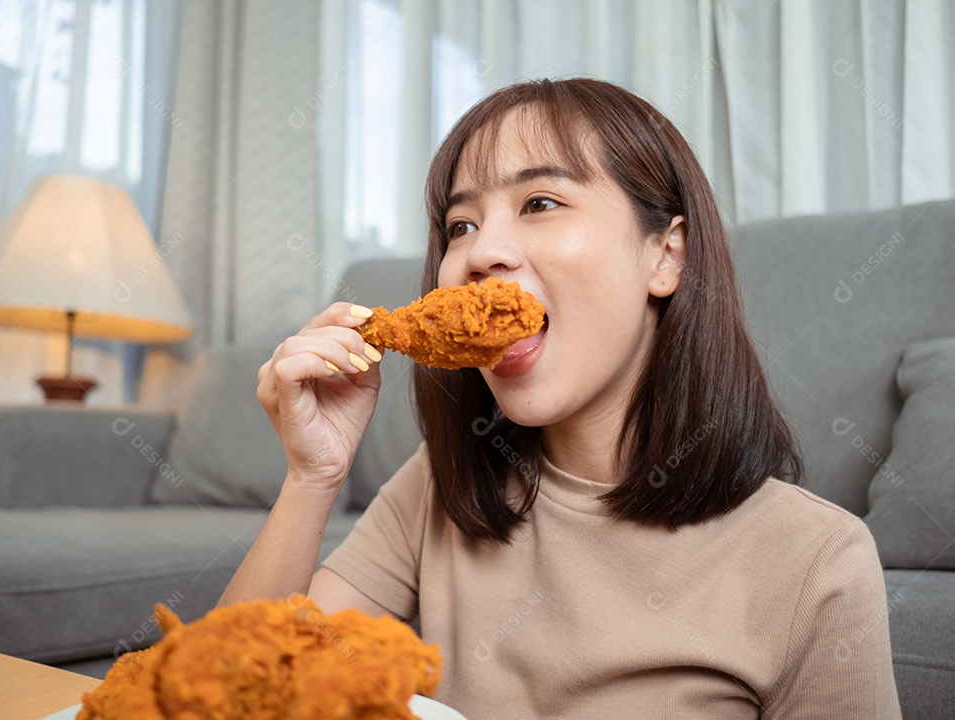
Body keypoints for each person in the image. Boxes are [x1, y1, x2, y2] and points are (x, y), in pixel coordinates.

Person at [218, 78, 901, 719]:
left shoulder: (818, 559)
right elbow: (224, 694)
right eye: (461, 225)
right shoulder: (439, 488)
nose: (482, 252)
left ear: (666, 255)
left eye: (539, 203)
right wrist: (315, 478)